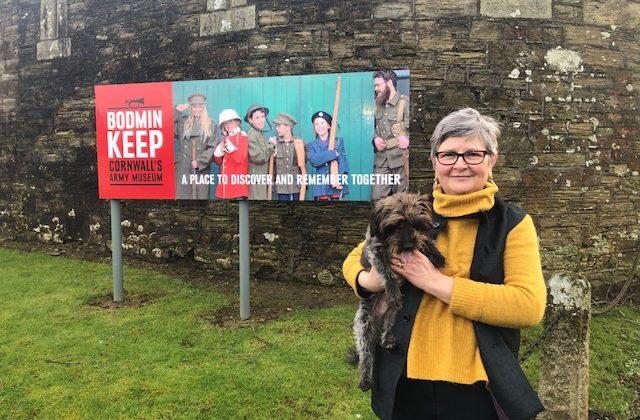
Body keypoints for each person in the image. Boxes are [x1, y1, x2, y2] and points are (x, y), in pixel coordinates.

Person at [343, 108, 547, 420]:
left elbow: (528, 306)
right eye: (448, 154)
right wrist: (366, 281)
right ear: (434, 161)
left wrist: (435, 282)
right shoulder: (412, 209)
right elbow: (355, 257)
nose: (460, 164)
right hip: (402, 375)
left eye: (473, 154)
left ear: (492, 160)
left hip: (474, 385)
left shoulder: (512, 224)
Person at [371, 70, 410, 201]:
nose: (376, 89)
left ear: (389, 83)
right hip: (382, 159)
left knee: (402, 198)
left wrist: (408, 140)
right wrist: (375, 139)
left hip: (401, 157)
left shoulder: (405, 103)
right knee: (377, 198)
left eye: (378, 85)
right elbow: (375, 128)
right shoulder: (377, 105)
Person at [174, 93, 217, 199]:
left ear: (204, 107)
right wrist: (176, 112)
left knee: (200, 197)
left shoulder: (211, 124)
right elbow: (166, 128)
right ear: (190, 107)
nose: (197, 109)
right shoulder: (182, 122)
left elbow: (212, 147)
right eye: (194, 106)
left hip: (200, 168)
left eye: (200, 106)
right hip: (184, 166)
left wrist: (199, 162)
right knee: (183, 196)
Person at [306, 111, 350, 200]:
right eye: (316, 124)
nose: (319, 126)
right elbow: (315, 161)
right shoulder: (311, 145)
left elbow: (342, 162)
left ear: (329, 126)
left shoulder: (338, 142)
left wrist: (340, 180)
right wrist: (333, 154)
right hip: (321, 185)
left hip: (336, 183)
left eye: (322, 123)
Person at [270, 113, 307, 201]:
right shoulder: (275, 143)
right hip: (281, 185)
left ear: (288, 127)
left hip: (296, 185)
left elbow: (302, 164)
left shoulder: (298, 143)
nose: (277, 128)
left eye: (279, 126)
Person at [213, 109, 248, 200]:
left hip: (236, 185)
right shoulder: (225, 138)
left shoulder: (242, 137)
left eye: (230, 122)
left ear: (237, 122)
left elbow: (240, 159)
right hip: (226, 184)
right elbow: (219, 162)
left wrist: (231, 148)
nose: (228, 125)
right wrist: (218, 153)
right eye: (225, 123)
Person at [245, 104, 276, 200]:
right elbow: (259, 157)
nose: (261, 120)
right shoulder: (252, 135)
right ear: (250, 120)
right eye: (257, 117)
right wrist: (271, 145)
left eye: (262, 117)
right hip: (256, 179)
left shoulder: (259, 133)